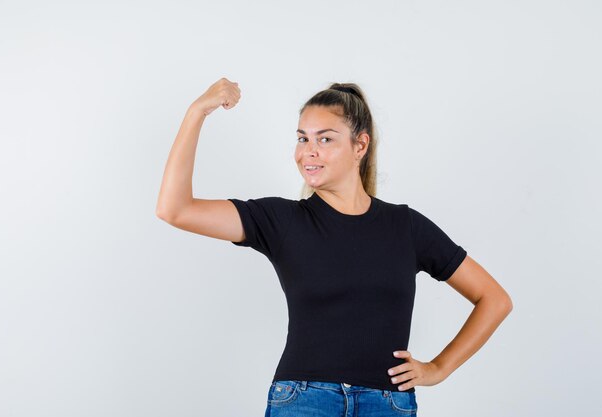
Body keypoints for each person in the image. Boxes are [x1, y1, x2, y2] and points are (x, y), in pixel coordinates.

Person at [156, 77, 513, 417]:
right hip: (303, 401)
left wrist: (438, 368)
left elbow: (494, 300)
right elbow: (175, 209)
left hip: (387, 404)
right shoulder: (280, 220)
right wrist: (197, 111)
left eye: (325, 139)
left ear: (360, 145)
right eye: (302, 139)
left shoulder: (406, 227)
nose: (307, 152)